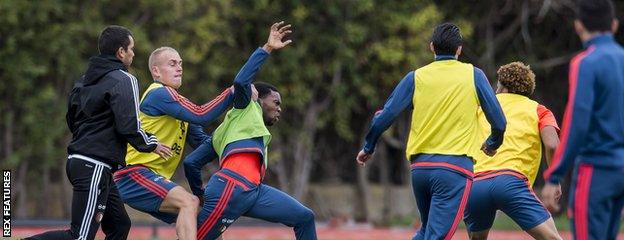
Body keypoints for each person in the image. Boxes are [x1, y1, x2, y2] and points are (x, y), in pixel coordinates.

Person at [355, 22, 506, 239]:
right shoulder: (474, 75)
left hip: (420, 169)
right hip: (454, 169)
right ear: (459, 49)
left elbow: (384, 116)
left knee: (427, 231)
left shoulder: (415, 77)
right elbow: (499, 122)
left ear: (432, 47)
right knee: (437, 236)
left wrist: (369, 147)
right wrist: (493, 143)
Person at [26, 25, 171, 240]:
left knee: (120, 225)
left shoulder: (83, 80)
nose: (133, 53)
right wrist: (151, 144)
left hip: (85, 163)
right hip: (93, 165)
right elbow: (129, 125)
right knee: (80, 237)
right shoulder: (125, 79)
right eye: (131, 48)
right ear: (121, 52)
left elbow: (72, 120)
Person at [183, 22, 317, 240]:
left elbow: (192, 163)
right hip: (231, 188)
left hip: (254, 192)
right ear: (259, 99)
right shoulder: (246, 106)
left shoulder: (226, 133)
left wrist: (200, 195)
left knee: (305, 217)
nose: (280, 109)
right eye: (276, 102)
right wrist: (268, 47)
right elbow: (241, 80)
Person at [112, 45, 236, 240]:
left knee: (207, 221)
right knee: (190, 202)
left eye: (180, 64)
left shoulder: (176, 103)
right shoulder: (159, 93)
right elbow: (201, 114)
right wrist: (233, 91)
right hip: (133, 175)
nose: (179, 68)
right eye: (172, 64)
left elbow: (204, 143)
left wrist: (234, 141)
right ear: (156, 71)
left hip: (152, 178)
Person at [541, 0, 624, 239]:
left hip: (596, 170)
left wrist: (554, 175)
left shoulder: (586, 63)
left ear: (578, 26)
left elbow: (577, 124)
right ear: (615, 25)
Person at [463, 62, 562, 240]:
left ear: (502, 86)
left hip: (476, 184)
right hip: (511, 183)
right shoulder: (539, 110)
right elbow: (553, 145)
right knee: (552, 238)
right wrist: (554, 180)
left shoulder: (480, 108)